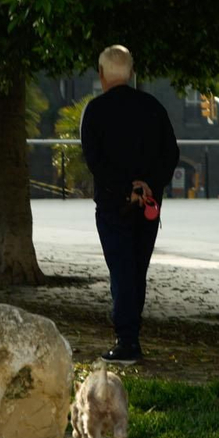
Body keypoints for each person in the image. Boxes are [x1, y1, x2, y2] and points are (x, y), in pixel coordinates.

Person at [78, 44, 179, 364]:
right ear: (132, 72)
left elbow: (95, 161)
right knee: (136, 270)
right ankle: (131, 334)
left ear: (101, 74)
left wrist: (126, 189)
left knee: (121, 271)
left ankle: (127, 341)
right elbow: (170, 154)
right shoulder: (153, 108)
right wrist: (148, 185)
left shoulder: (95, 111)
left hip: (114, 205)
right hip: (148, 205)